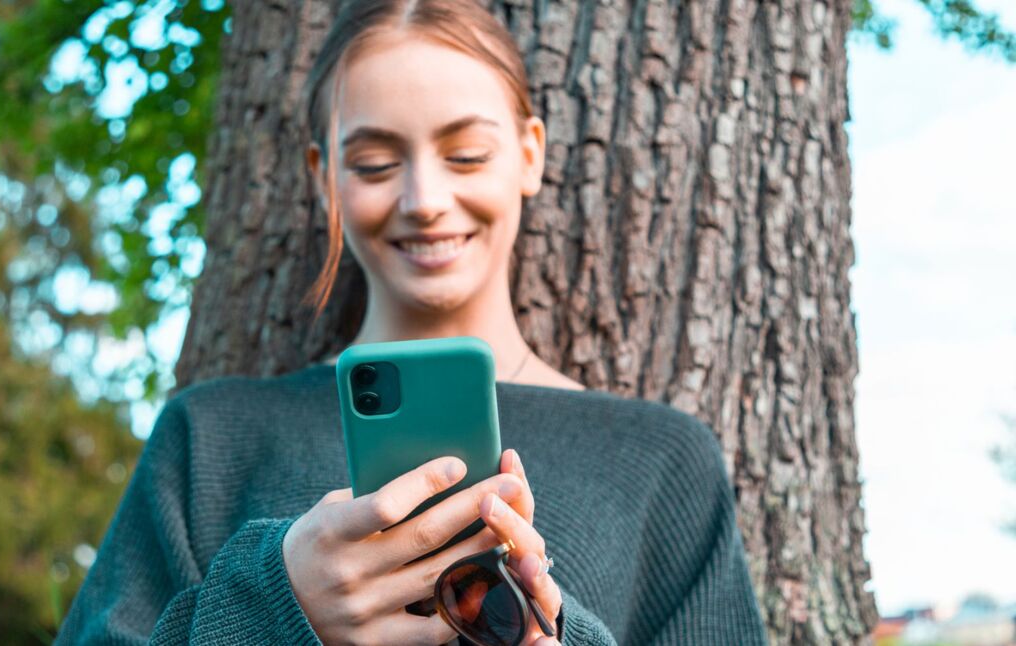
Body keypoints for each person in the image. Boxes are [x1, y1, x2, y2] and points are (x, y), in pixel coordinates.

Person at [55, 0, 769, 643]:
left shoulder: (661, 462)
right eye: (371, 164)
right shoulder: (210, 440)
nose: (425, 198)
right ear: (322, 176)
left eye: (466, 154)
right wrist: (276, 609)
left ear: (529, 155)